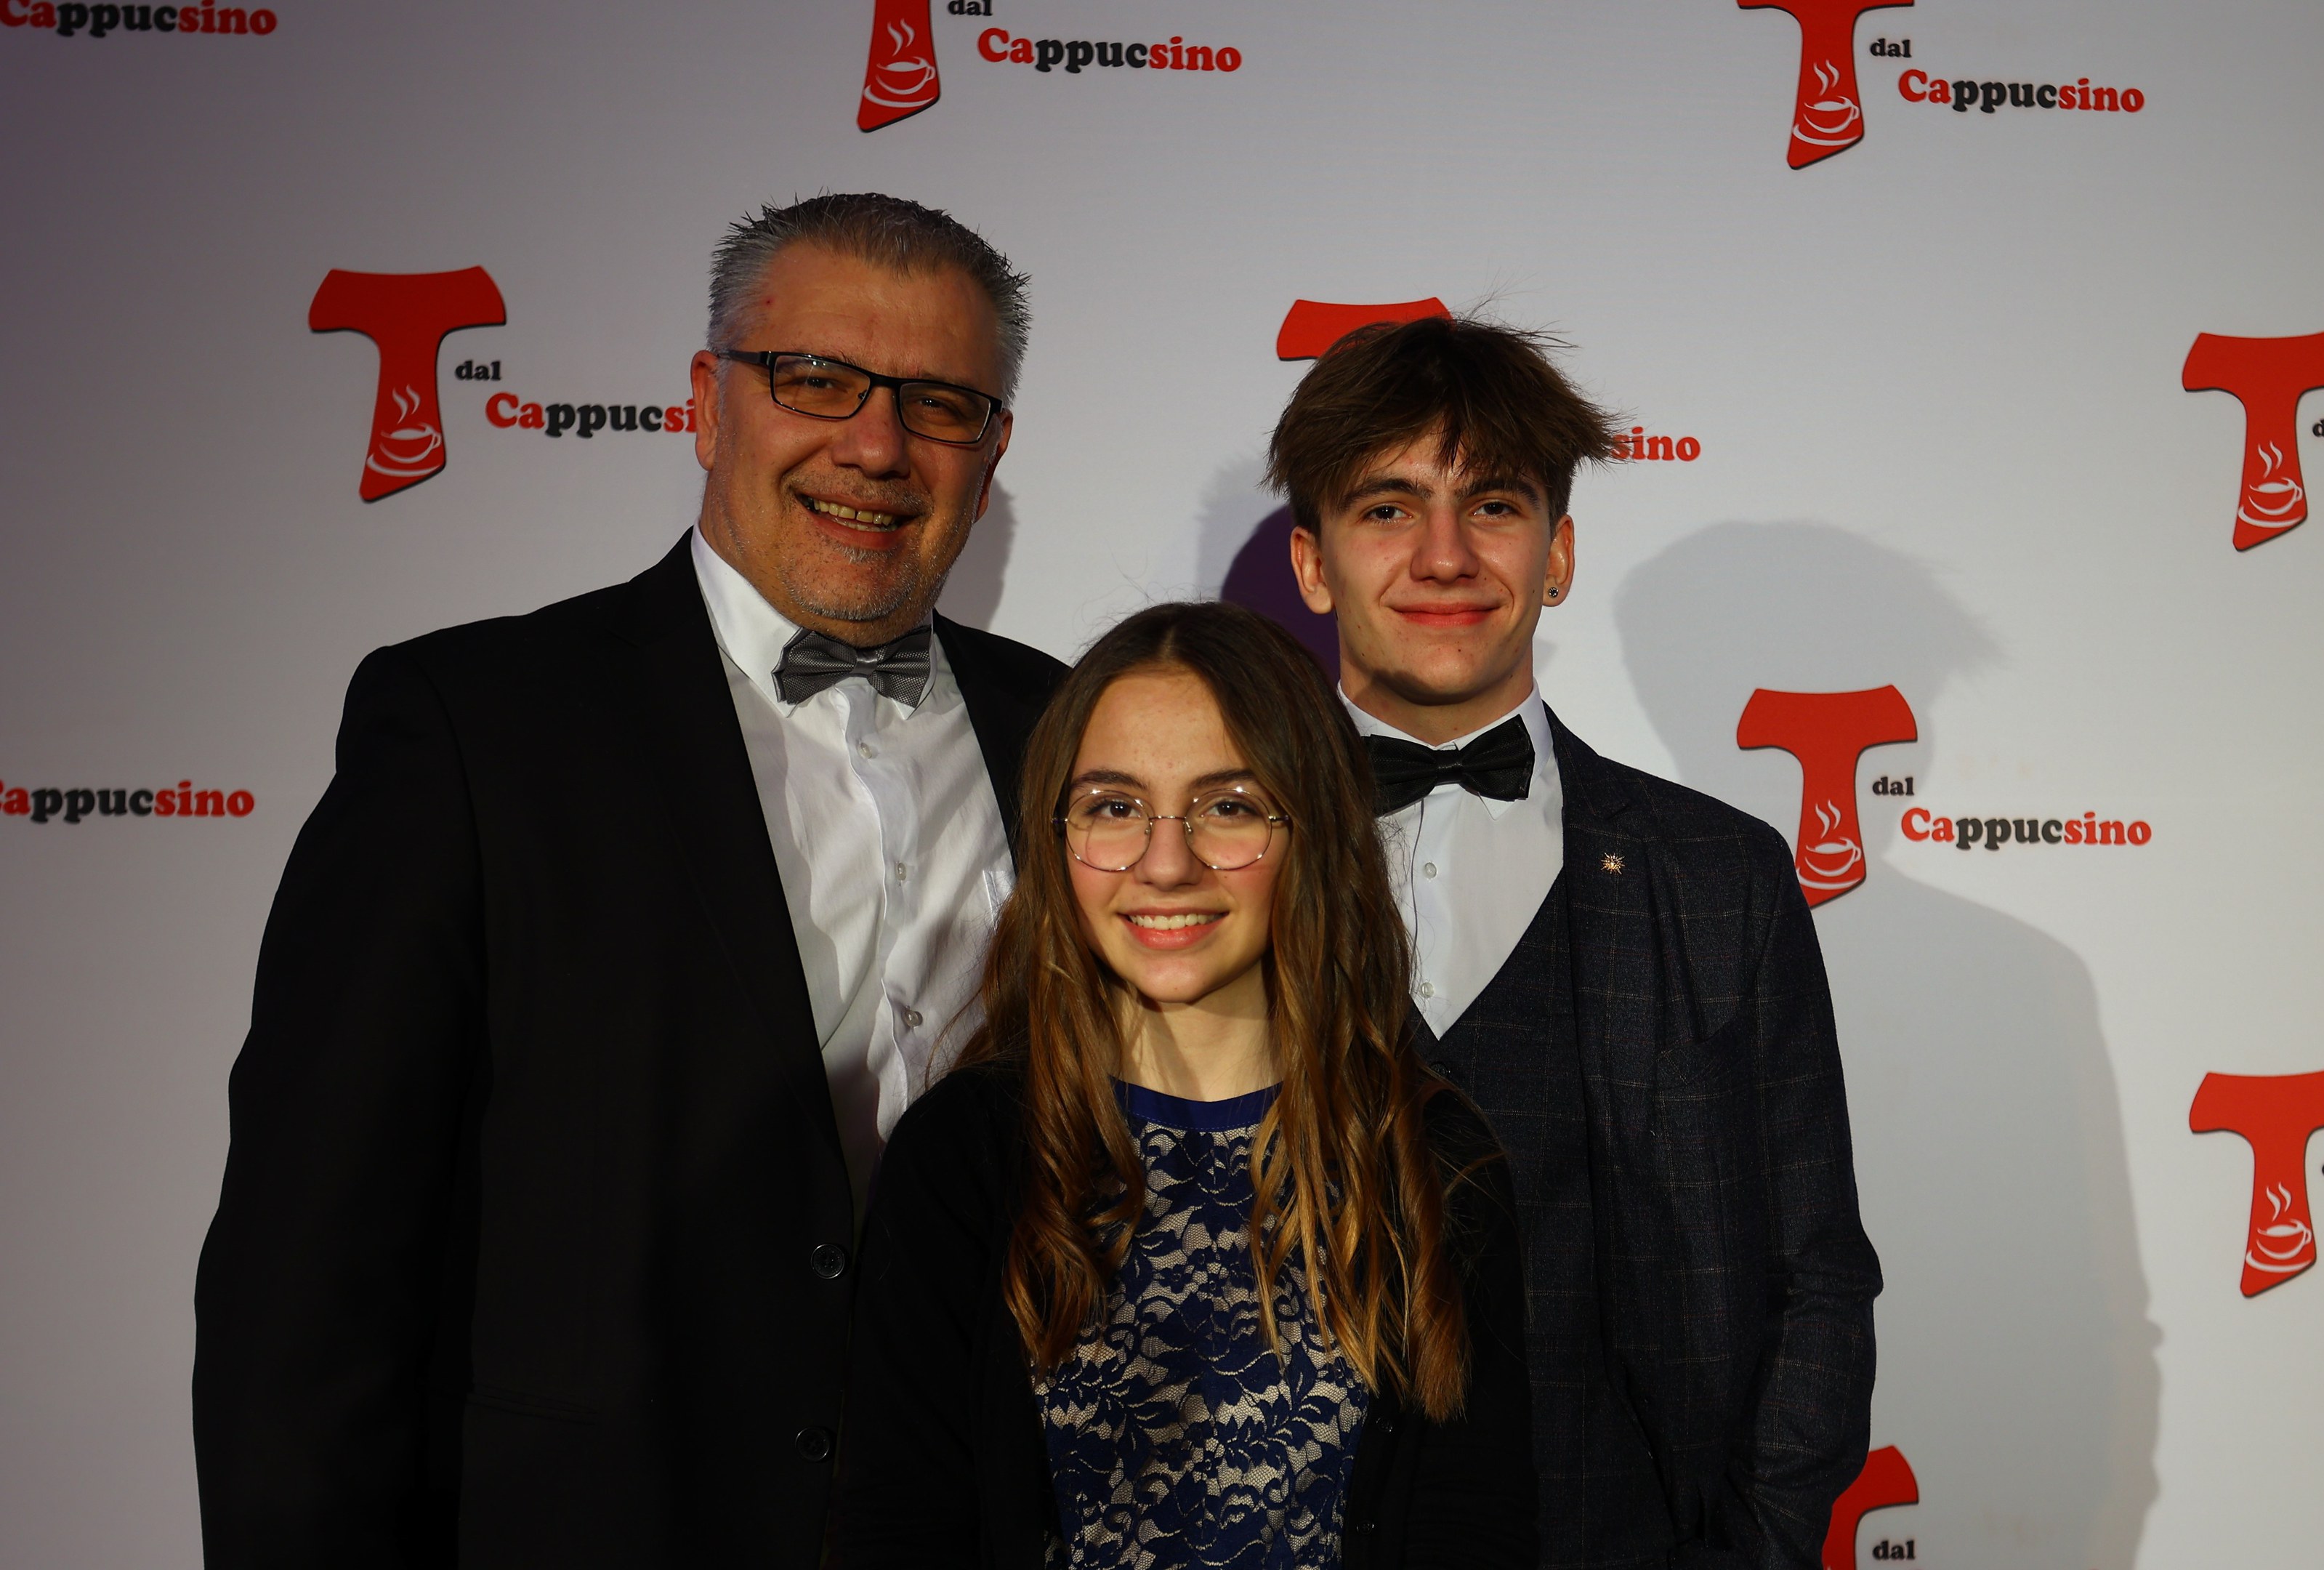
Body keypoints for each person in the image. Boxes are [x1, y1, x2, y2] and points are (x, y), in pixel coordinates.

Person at [192, 194, 1067, 1566]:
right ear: (707, 405)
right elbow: (309, 1273)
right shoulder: (475, 728)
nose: (876, 445)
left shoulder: (1077, 737)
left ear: (993, 447)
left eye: (939, 403)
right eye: (815, 379)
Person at [1272, 315, 1882, 1569]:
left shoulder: (1719, 878)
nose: (1445, 555)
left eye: (1492, 507)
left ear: (1555, 556)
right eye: (1388, 509)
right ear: (1312, 565)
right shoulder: (1198, 861)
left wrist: (1749, 1552)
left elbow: (1816, 1271)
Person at [833, 601, 1537, 1569]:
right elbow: (900, 1531)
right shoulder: (963, 1155)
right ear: (1058, 834)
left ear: (1315, 829)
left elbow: (1475, 1531)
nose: (1166, 865)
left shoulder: (1431, 1155)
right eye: (1114, 807)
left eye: (1229, 807)